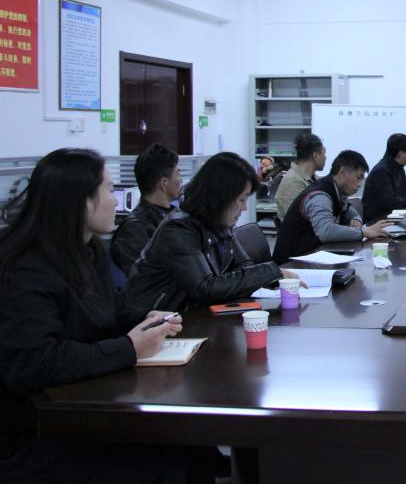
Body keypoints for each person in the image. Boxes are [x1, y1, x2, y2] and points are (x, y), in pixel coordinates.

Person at [0, 148, 196, 483]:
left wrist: (148, 319)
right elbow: (33, 363)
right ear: (81, 202)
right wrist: (129, 348)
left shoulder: (88, 250)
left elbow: (111, 310)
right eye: (108, 190)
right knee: (168, 456)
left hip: (79, 403)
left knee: (188, 445)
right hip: (36, 431)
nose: (116, 200)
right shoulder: (26, 268)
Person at [125, 152, 300, 312]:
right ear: (221, 197)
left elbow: (245, 267)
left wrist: (271, 276)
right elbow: (205, 288)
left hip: (193, 316)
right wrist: (271, 272)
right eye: (241, 199)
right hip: (155, 322)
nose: (244, 208)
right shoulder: (178, 229)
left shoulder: (219, 223)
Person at [272, 149, 392, 264]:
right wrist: (363, 232)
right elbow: (326, 231)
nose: (360, 184)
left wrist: (355, 219)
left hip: (313, 255)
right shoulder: (320, 195)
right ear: (342, 172)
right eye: (358, 177)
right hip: (291, 264)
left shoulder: (336, 189)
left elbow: (348, 208)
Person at [110, 142, 181, 278]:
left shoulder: (176, 216)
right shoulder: (134, 230)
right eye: (178, 174)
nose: (181, 180)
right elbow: (143, 280)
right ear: (164, 183)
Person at [360, 133, 406, 223]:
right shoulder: (381, 171)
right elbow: (390, 202)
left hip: (393, 218)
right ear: (400, 153)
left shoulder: (399, 168)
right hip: (377, 222)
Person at [275, 133, 326, 220]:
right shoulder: (292, 182)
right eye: (324, 152)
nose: (325, 157)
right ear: (316, 156)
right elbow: (295, 221)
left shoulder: (313, 178)